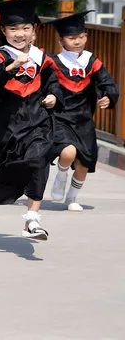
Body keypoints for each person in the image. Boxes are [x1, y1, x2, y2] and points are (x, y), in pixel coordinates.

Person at [0, 0, 63, 240]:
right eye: (13, 28)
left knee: (39, 160)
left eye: (25, 28)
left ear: (34, 30)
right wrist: (11, 66)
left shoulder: (44, 58)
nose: (20, 34)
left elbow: (54, 81)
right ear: (4, 30)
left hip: (36, 121)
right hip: (4, 125)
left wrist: (53, 95)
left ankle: (32, 220)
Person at [46, 11, 119, 211]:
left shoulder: (92, 62)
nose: (77, 41)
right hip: (61, 117)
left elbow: (108, 82)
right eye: (71, 38)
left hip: (84, 119)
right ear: (61, 40)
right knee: (68, 153)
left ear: (86, 37)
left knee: (84, 163)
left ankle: (72, 198)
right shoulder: (54, 63)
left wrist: (108, 96)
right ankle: (61, 175)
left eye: (81, 37)